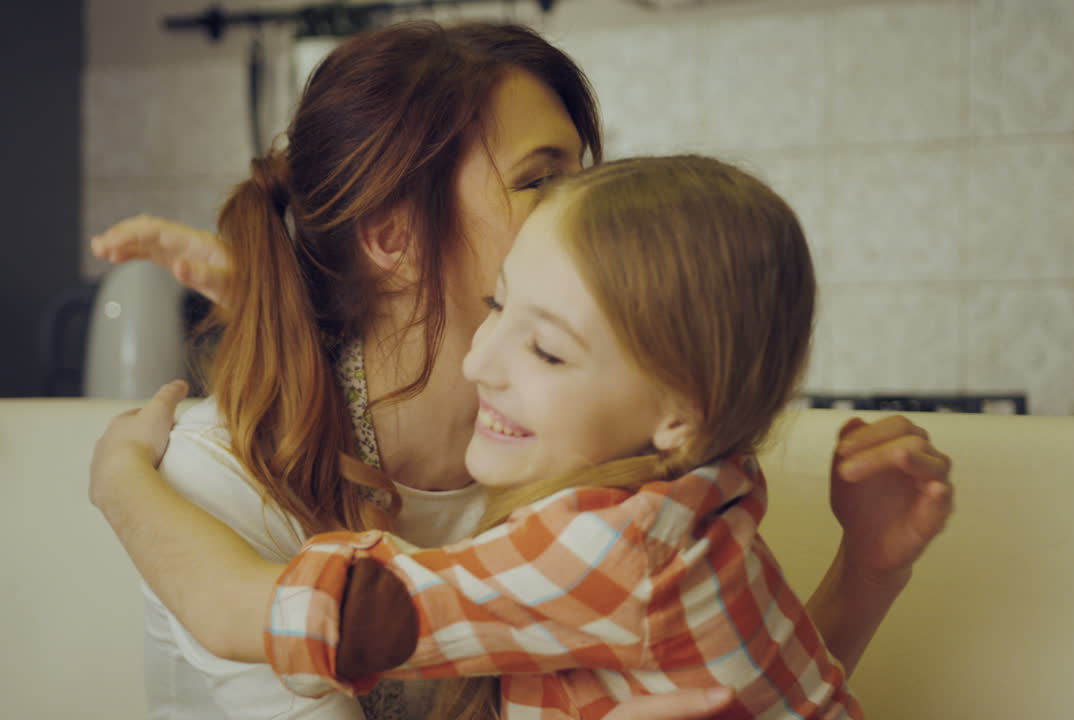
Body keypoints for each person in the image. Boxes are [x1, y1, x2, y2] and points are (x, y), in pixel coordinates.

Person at [89, 20, 953, 720]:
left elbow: (744, 682)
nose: (588, 215)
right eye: (543, 180)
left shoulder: (599, 465)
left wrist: (871, 568)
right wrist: (132, 474)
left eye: (582, 174)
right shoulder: (218, 474)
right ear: (391, 237)